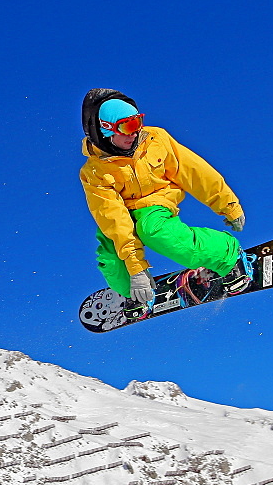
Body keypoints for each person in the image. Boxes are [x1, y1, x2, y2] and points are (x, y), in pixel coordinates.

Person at [79, 88, 254, 317]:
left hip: (154, 205)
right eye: (128, 126)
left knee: (154, 231)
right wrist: (136, 270)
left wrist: (228, 205)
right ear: (105, 130)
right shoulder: (94, 172)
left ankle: (227, 254)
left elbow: (195, 172)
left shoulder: (155, 140)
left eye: (138, 122)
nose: (135, 132)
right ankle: (137, 293)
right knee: (111, 257)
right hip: (120, 219)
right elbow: (113, 219)